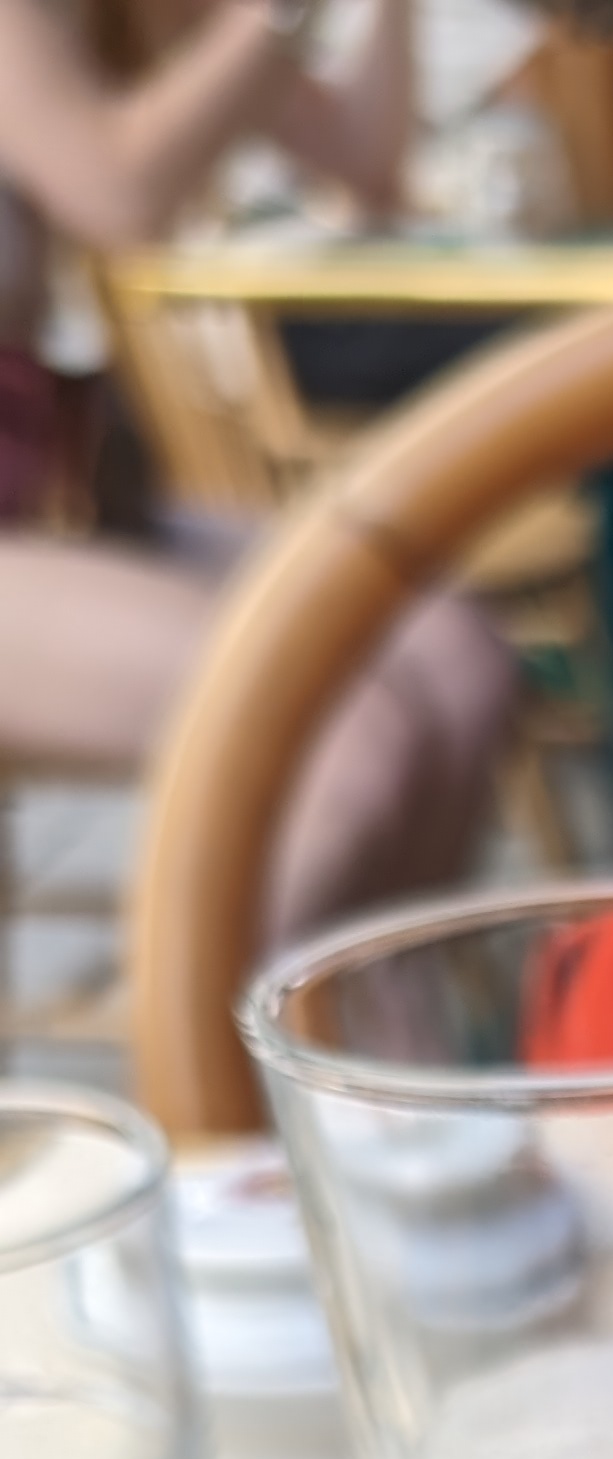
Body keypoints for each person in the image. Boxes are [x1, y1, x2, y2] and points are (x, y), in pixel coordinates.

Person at [0, 0, 517, 945]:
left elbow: (365, 162)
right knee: (339, 732)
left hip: (62, 503)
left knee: (459, 658)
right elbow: (117, 194)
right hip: (28, 528)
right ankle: (207, 1038)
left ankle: (371, 1019)